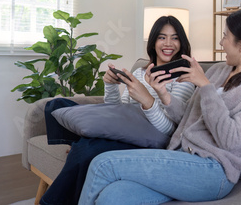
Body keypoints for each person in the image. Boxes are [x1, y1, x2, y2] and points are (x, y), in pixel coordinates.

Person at [78, 8, 241, 204]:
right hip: (181, 158)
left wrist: (206, 87)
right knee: (113, 196)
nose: (221, 43)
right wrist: (163, 93)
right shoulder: (219, 70)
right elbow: (187, 117)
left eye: (225, 36)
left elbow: (232, 140)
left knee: (102, 164)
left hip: (213, 171)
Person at [39, 16, 195, 205]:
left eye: (175, 38)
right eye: (162, 37)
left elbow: (171, 131)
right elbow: (119, 111)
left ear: (182, 42)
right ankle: (80, 140)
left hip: (151, 139)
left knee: (88, 149)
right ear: (153, 42)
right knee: (57, 105)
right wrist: (110, 85)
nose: (168, 43)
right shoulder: (140, 73)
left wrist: (147, 100)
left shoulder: (183, 79)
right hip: (126, 128)